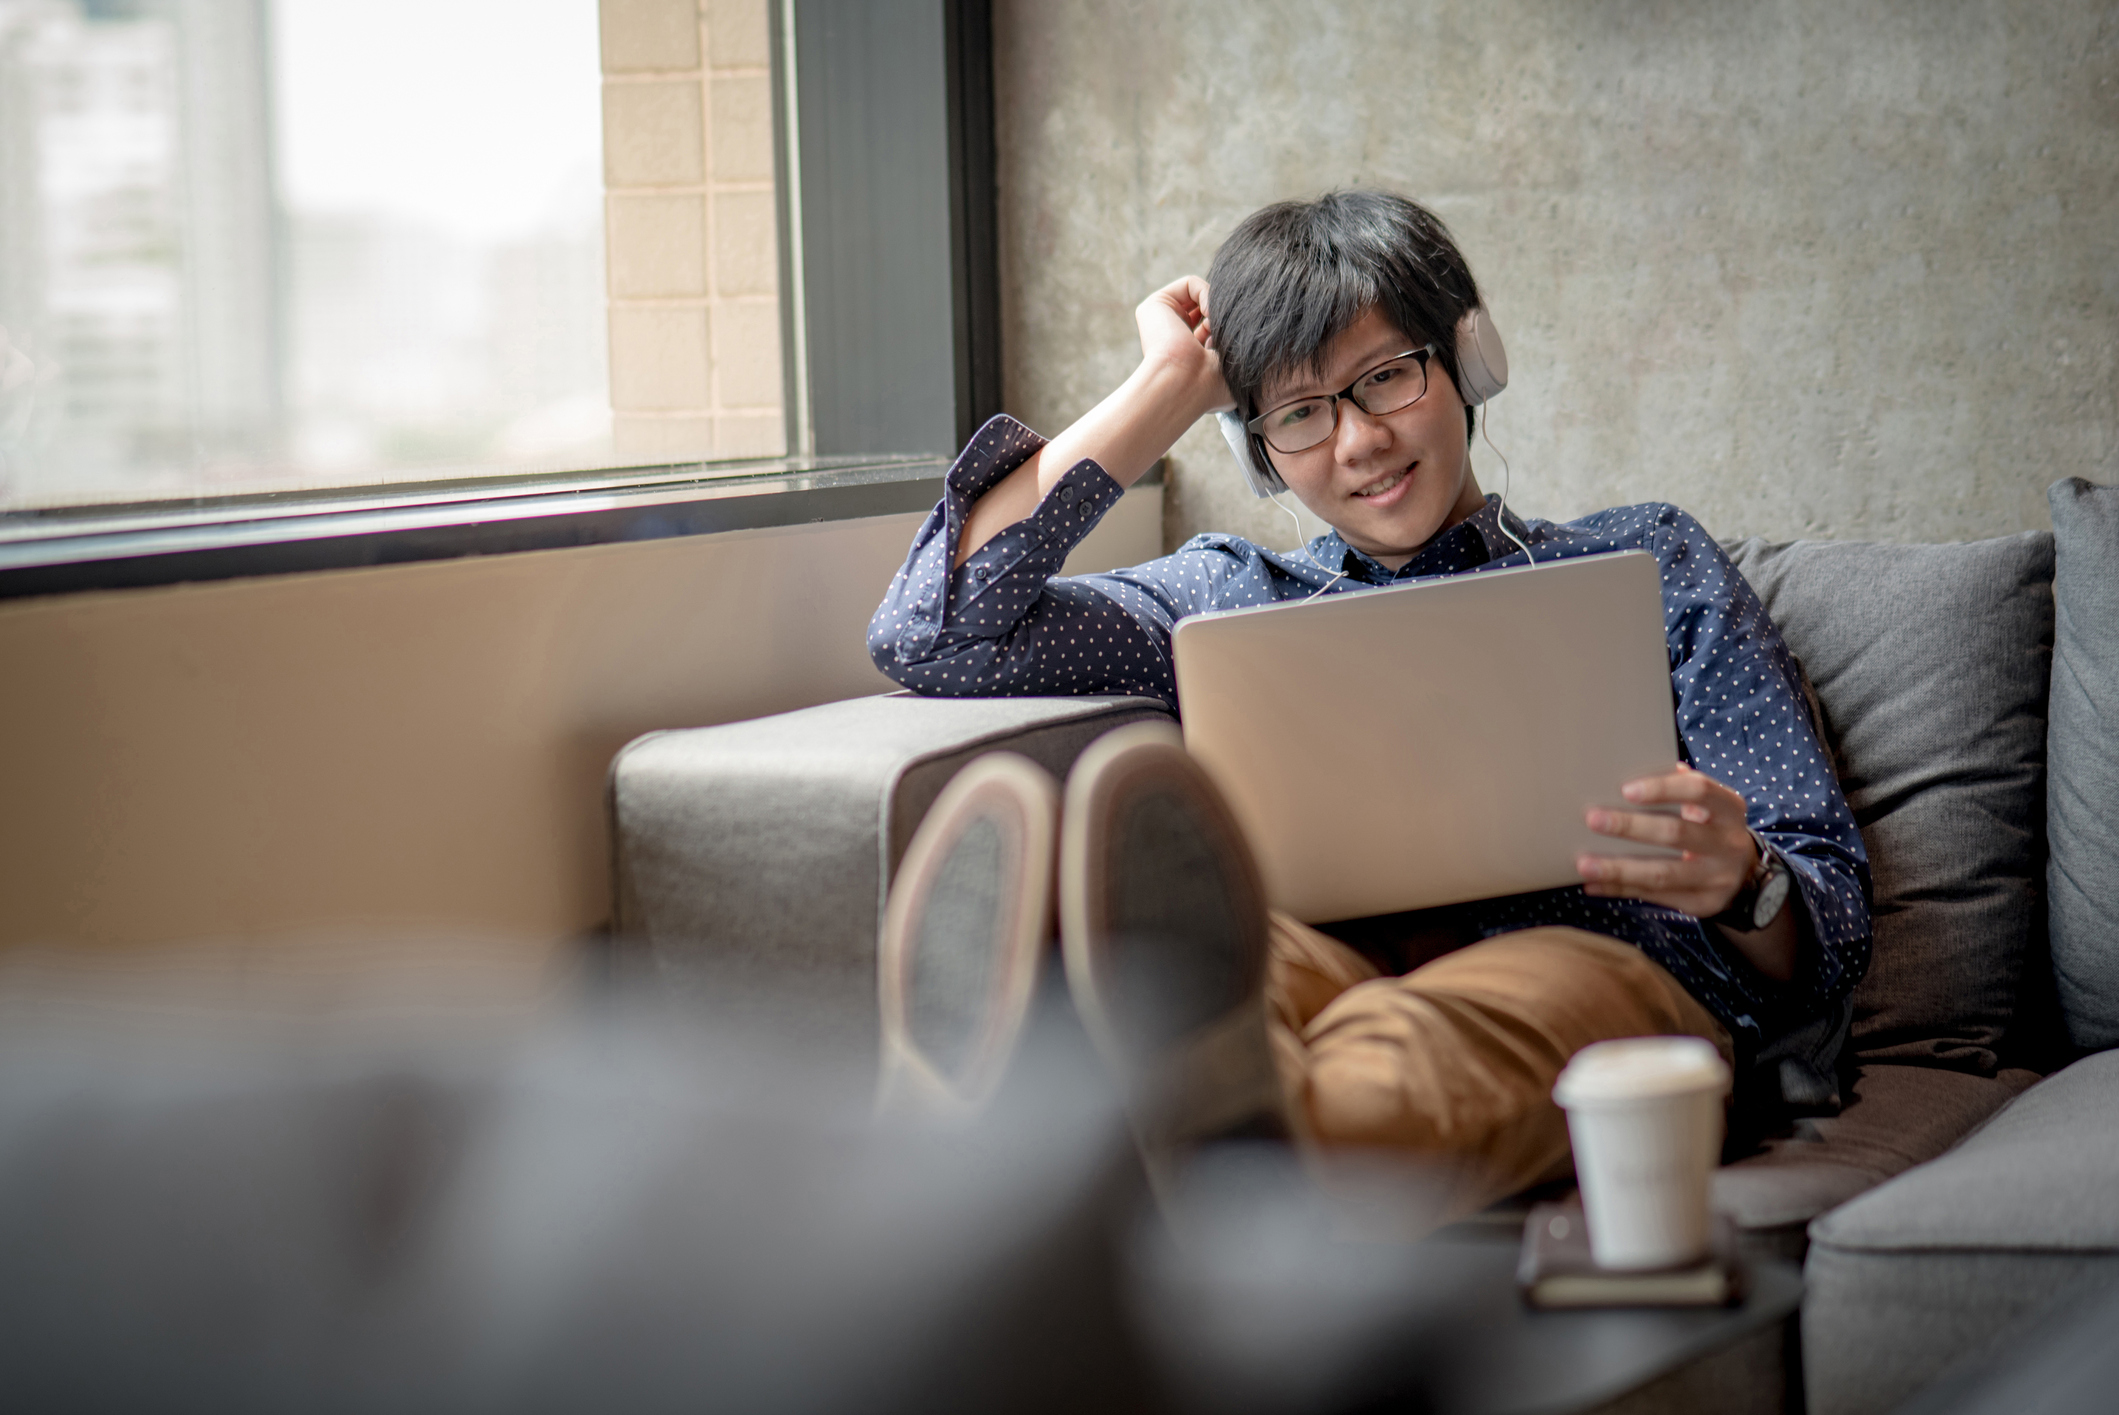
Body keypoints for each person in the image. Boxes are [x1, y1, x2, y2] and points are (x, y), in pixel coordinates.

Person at [866, 190, 1870, 1222]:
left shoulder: (1648, 560)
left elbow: (1829, 926)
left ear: (1468, 360)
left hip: (1609, 966)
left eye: (1386, 376)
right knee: (1190, 978)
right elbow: (933, 631)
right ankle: (1116, 1056)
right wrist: (1164, 387)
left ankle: (1042, 1143)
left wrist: (1744, 881)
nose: (1356, 442)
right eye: (1299, 412)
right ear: (1258, 448)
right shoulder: (1221, 594)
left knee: (1409, 1060)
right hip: (1315, 956)